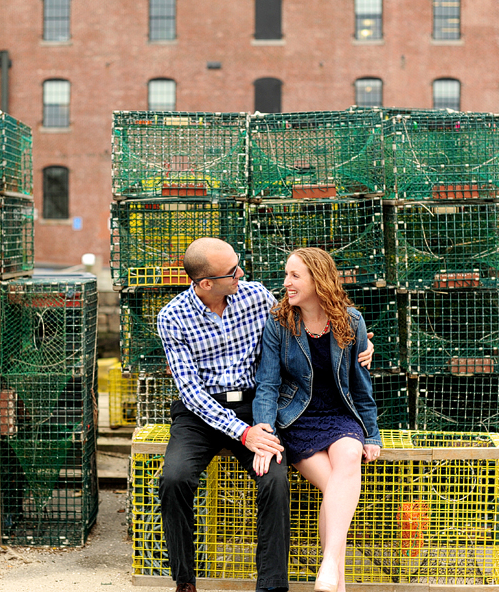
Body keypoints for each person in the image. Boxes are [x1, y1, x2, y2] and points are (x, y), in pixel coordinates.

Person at [156, 237, 373, 592]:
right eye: (233, 271)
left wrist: (363, 342)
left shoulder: (255, 296)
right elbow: (191, 393)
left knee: (274, 479)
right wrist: (244, 434)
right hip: (200, 414)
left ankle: (272, 585)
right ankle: (185, 580)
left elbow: (307, 317)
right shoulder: (172, 317)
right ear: (206, 282)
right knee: (174, 479)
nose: (241, 273)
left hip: (254, 406)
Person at [252, 248, 382, 592]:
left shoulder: (351, 320)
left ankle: (328, 566)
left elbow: (360, 384)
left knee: (351, 456)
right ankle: (336, 578)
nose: (286, 283)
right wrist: (265, 430)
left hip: (341, 414)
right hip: (297, 417)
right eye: (286, 275)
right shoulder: (279, 322)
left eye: (294, 275)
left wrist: (371, 433)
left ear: (317, 279)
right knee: (336, 487)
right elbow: (267, 384)